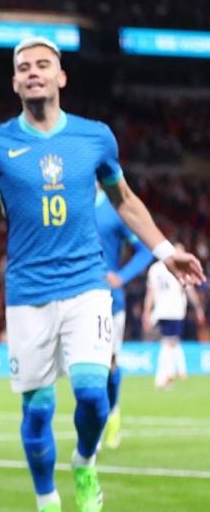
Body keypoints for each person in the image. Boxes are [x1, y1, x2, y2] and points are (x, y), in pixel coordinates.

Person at [0, 36, 206, 512]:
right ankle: (46, 502)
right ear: (15, 82)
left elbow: (126, 200)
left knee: (93, 394)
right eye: (24, 67)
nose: (33, 72)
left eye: (43, 65)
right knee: (37, 410)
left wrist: (166, 250)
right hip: (27, 292)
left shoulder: (95, 137)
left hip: (86, 285)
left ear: (61, 77)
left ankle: (84, 460)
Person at [94, 186, 152, 449]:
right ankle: (94, 425)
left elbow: (145, 250)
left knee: (108, 364)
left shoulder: (114, 210)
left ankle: (113, 412)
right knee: (87, 368)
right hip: (78, 298)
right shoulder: (72, 204)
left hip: (110, 301)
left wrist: (121, 277)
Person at [144, 244, 206, 389]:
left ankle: (175, 373)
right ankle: (165, 376)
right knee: (169, 343)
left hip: (160, 311)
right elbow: (189, 290)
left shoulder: (154, 268)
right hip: (175, 311)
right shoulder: (179, 267)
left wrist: (147, 312)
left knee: (170, 342)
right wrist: (198, 308)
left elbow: (150, 293)